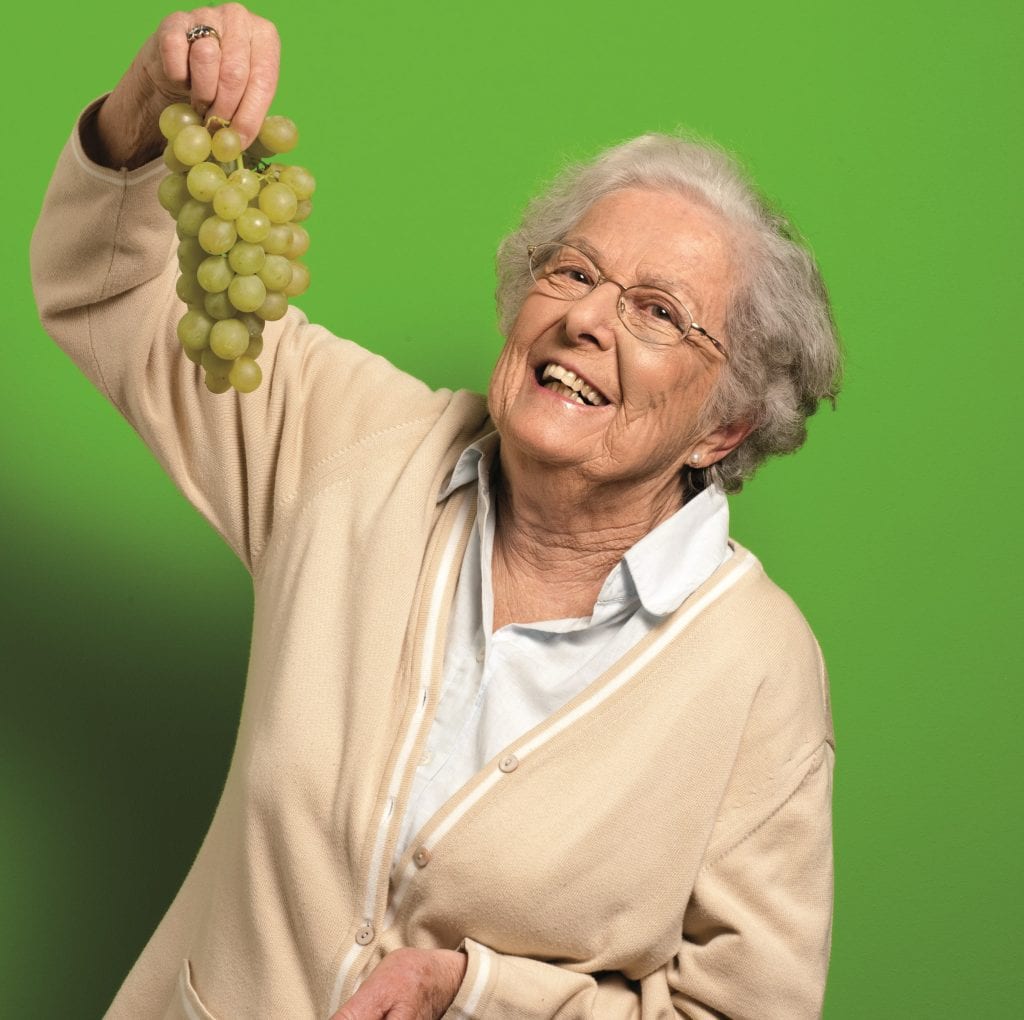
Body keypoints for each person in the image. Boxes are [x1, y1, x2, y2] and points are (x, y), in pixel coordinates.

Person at [31, 5, 842, 1018]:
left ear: (724, 429)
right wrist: (149, 105)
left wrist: (476, 993)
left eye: (657, 312)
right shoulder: (352, 446)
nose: (586, 317)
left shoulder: (756, 671)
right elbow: (104, 289)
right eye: (575, 271)